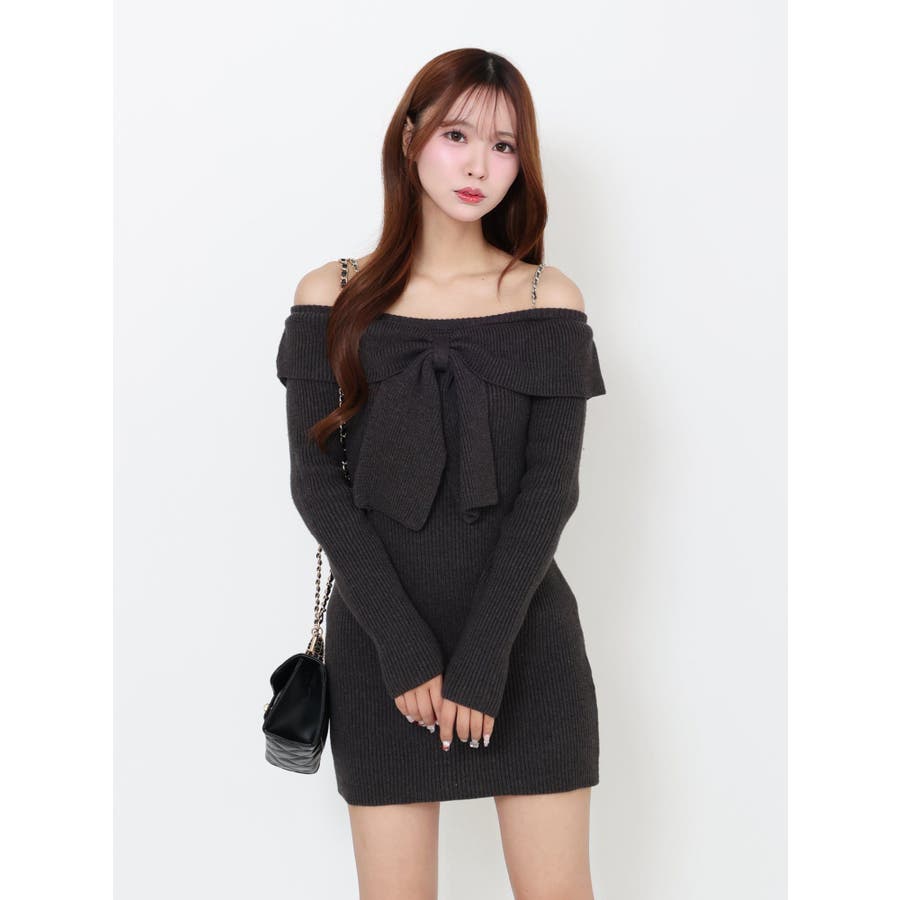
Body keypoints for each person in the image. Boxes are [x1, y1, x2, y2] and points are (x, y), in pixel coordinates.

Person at [276, 48, 606, 900]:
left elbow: (549, 493)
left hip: (524, 644)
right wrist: (404, 648)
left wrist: (484, 658)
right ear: (410, 137)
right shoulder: (331, 294)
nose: (478, 166)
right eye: (457, 135)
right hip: (383, 645)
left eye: (504, 146)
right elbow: (317, 485)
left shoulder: (546, 299)